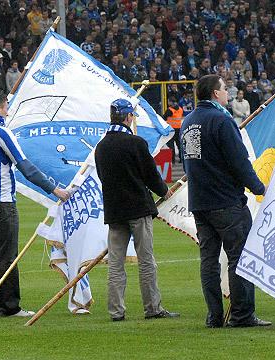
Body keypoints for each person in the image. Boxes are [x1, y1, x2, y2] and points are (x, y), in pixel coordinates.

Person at [0, 90, 70, 317]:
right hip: (2, 201)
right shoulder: (1, 133)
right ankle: (10, 306)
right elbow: (25, 167)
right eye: (5, 107)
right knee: (7, 254)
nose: (8, 111)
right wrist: (54, 189)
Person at [180, 74, 271, 328]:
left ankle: (214, 316)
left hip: (199, 201)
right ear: (215, 93)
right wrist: (258, 187)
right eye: (224, 89)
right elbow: (238, 160)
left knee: (208, 260)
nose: (228, 93)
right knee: (238, 257)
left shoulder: (187, 122)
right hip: (226, 201)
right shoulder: (221, 120)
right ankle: (242, 315)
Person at [94, 98, 180, 322]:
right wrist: (164, 191)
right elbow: (150, 174)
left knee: (115, 263)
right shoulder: (136, 143)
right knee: (146, 260)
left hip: (114, 210)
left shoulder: (101, 146)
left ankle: (116, 311)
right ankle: (152, 307)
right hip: (138, 208)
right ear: (128, 117)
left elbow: (103, 177)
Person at [162, 97, 183, 163]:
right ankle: (181, 159)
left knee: (171, 145)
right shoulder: (180, 109)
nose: (168, 103)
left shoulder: (169, 110)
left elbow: (164, 118)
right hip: (179, 129)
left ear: (171, 102)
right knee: (179, 145)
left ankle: (172, 160)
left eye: (168, 101)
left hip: (171, 130)